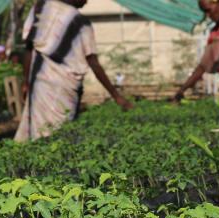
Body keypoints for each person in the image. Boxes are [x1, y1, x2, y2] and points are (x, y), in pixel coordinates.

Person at [16, 0, 134, 142]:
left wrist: (26, 82)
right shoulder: (80, 22)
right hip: (61, 86)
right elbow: (93, 63)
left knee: (44, 134)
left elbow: (29, 48)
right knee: (58, 137)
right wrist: (116, 96)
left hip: (40, 84)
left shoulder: (42, 6)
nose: (86, 1)